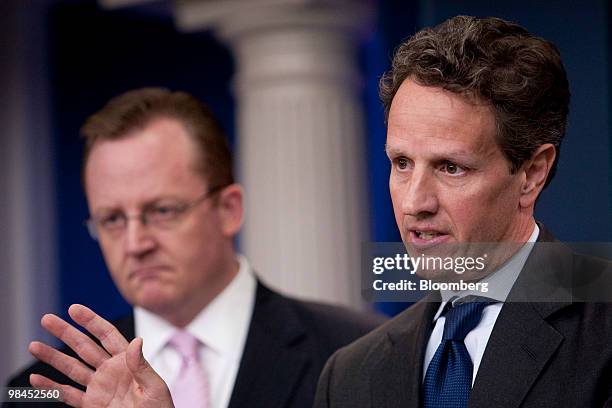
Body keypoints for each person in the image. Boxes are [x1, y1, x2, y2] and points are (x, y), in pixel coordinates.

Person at [5, 88, 385, 408]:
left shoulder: (359, 353)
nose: (136, 244)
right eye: (113, 220)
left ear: (228, 210)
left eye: (162, 211)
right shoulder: (41, 390)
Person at [314, 15, 612, 408]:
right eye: (402, 163)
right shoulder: (349, 376)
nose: (414, 203)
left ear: (532, 173)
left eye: (451, 167)